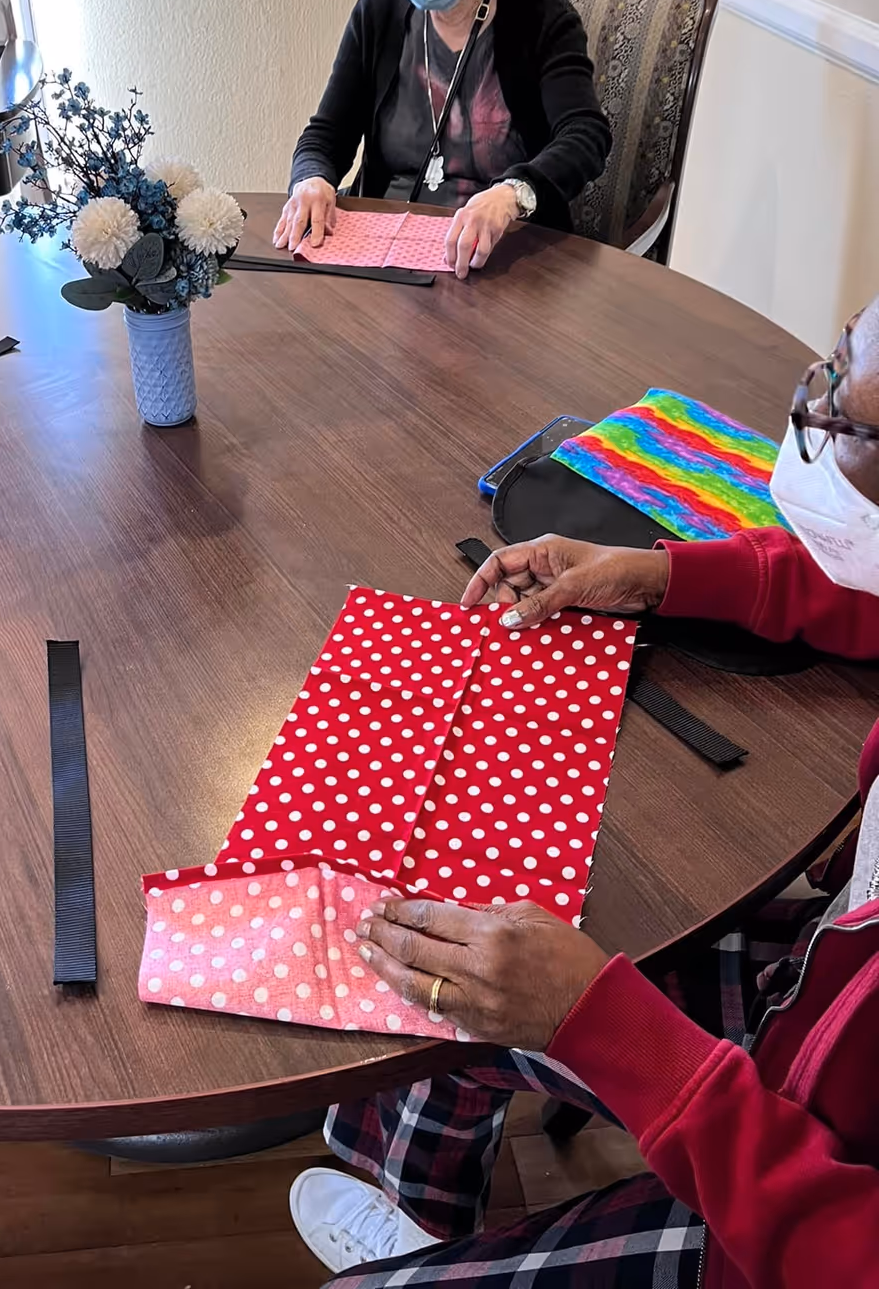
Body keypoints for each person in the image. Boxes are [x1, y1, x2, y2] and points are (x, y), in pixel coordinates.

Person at [288, 299, 879, 1287]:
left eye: (844, 417)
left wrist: (602, 1026)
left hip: (791, 1219)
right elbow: (859, 586)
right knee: (453, 953)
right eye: (833, 367)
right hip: (824, 1004)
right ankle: (419, 1210)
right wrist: (656, 575)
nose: (805, 419)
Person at [276, 0, 610, 280]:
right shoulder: (378, 13)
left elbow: (584, 135)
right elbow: (326, 135)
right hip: (380, 262)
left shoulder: (543, 19)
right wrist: (311, 179)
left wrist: (513, 193)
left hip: (496, 266)